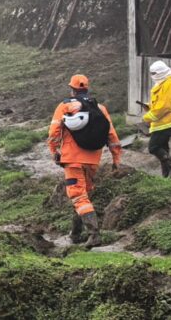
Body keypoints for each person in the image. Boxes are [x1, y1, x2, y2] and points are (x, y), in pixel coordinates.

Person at [47, 75, 123, 248]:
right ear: (87, 88)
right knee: (83, 195)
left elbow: (54, 132)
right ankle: (75, 233)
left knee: (77, 195)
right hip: (93, 159)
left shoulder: (65, 105)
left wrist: (54, 151)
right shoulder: (100, 108)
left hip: (72, 159)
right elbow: (112, 135)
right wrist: (115, 159)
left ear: (72, 89)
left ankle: (94, 234)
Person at [143, 60, 171, 178]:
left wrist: (148, 117)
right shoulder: (162, 82)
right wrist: (150, 106)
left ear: (161, 72)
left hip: (166, 122)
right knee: (163, 147)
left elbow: (165, 106)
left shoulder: (169, 83)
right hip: (161, 121)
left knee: (153, 147)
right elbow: (160, 102)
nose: (152, 76)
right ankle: (166, 175)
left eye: (154, 73)